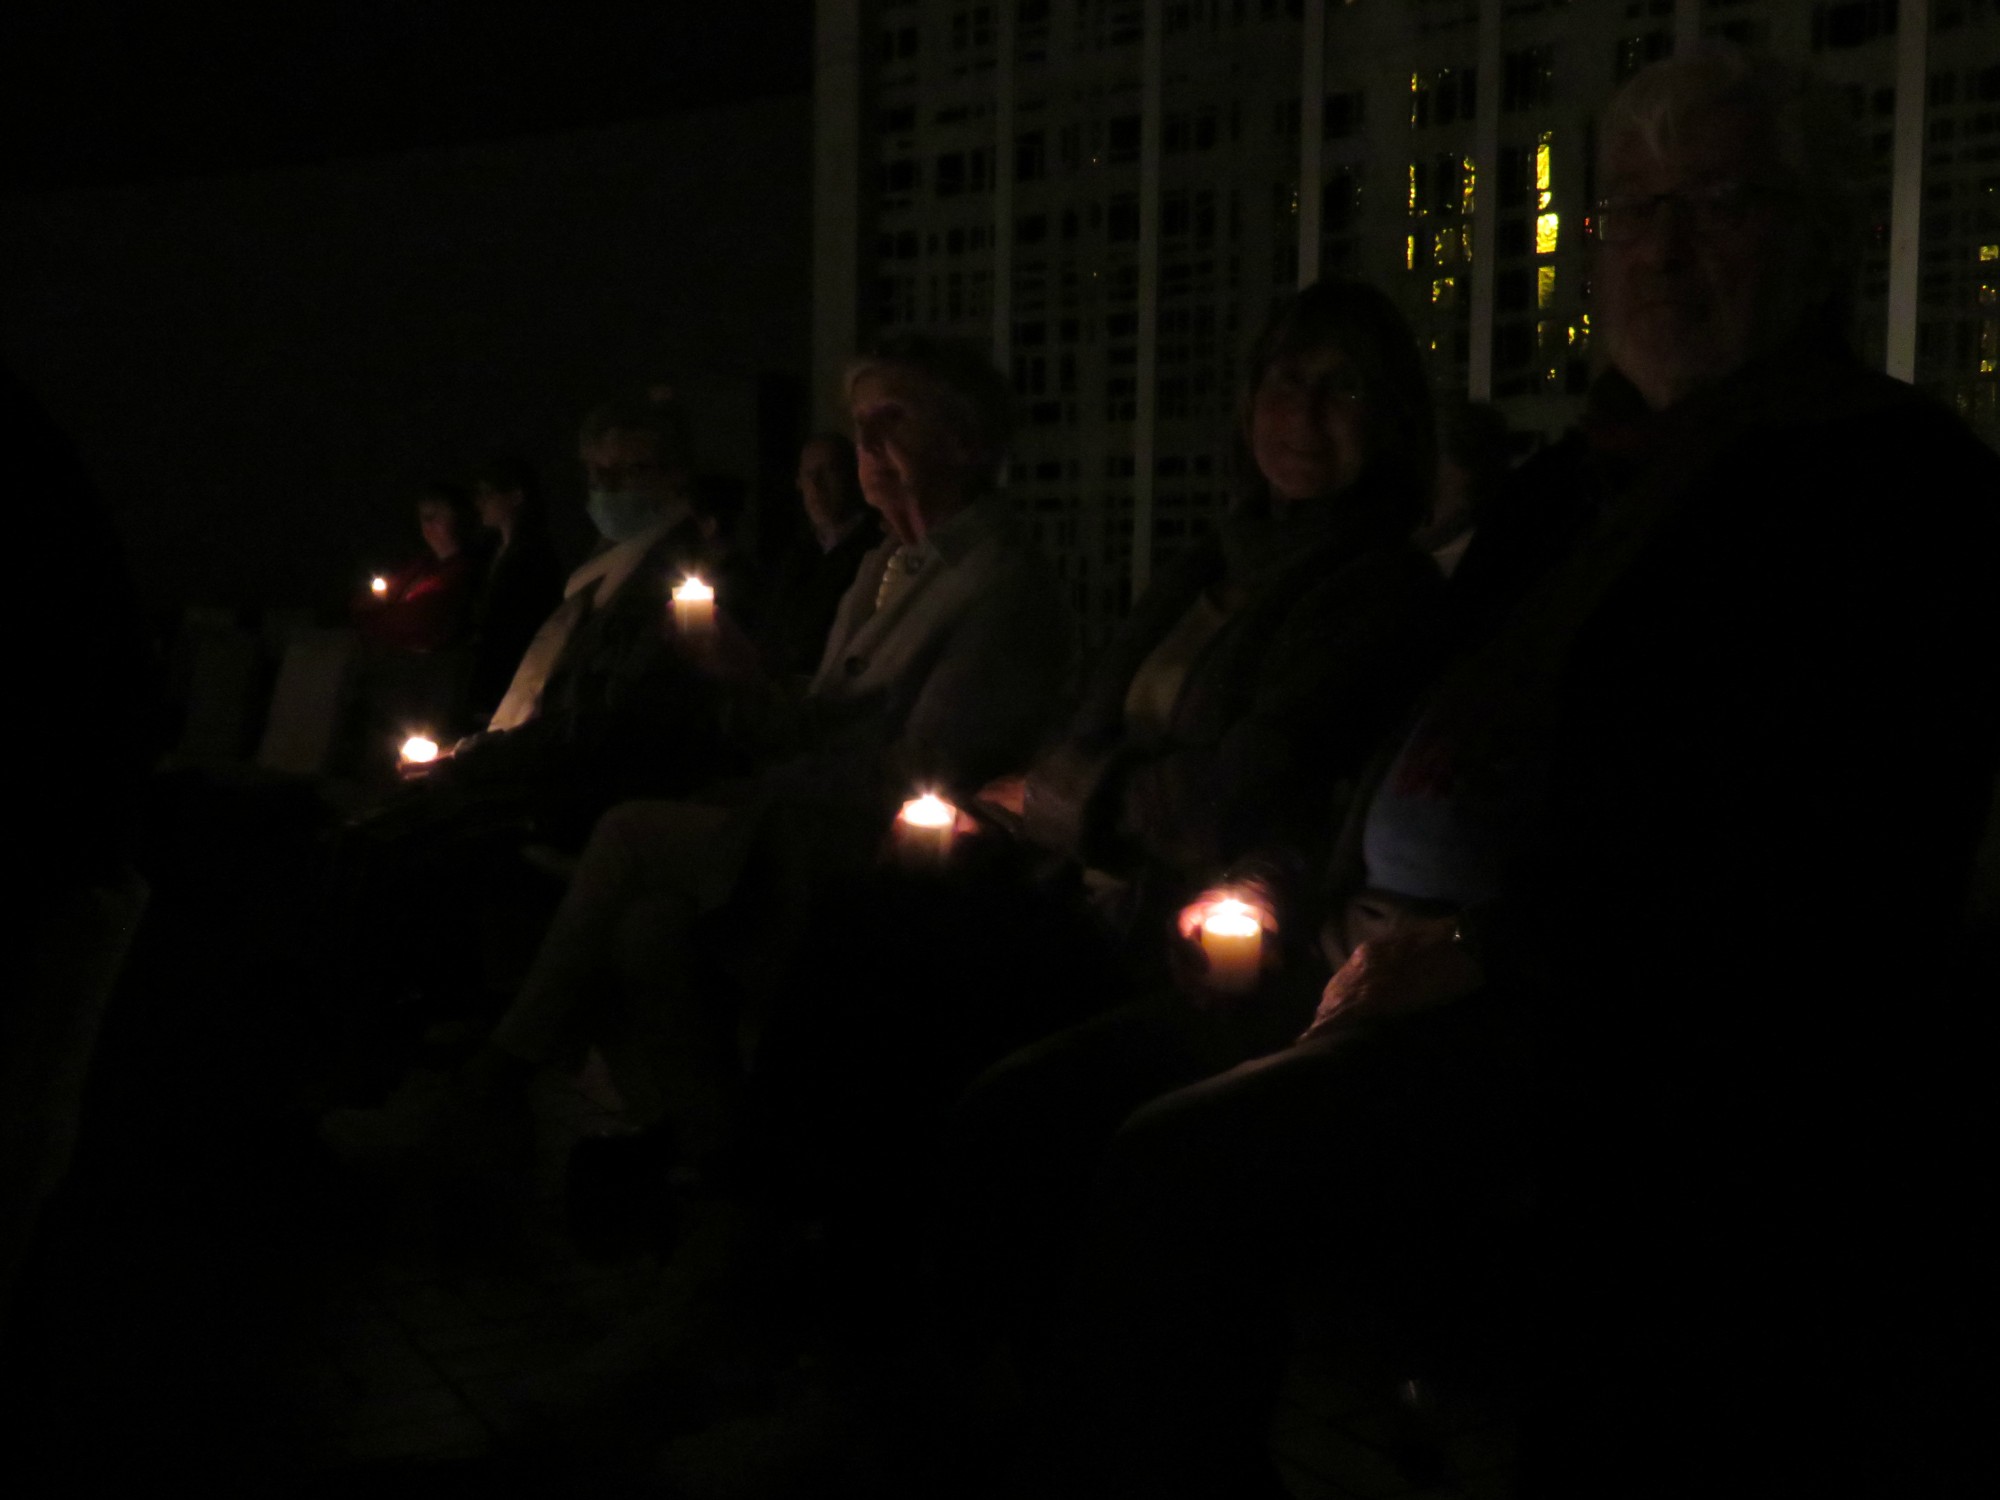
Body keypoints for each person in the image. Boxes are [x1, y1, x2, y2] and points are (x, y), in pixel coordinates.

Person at [1032, 44, 2000, 1498]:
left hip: (1630, 1039)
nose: (1665, 252)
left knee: (1176, 1177)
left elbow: (1817, 860)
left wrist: (1485, 946)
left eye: (1718, 205)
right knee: (1033, 1104)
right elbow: (1402, 719)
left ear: (1814, 231)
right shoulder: (1580, 481)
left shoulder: (1883, 483)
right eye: (1632, 211)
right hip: (1385, 957)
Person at [327, 336, 1075, 1199]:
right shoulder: (881, 566)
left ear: (968, 440)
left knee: (626, 833)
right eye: (859, 422)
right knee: (647, 932)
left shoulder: (1001, 583)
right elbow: (806, 723)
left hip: (887, 861)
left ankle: (489, 1093)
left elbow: (919, 765)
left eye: (894, 420)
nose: (867, 446)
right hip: (796, 816)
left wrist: (749, 725)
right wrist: (744, 679)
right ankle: (725, 1176)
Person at [751, 434, 883, 679]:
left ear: (853, 475)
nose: (817, 486)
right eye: (809, 475)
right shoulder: (793, 554)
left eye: (830, 471)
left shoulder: (878, 551)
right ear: (798, 482)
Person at [461, 456, 563, 732]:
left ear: (516, 496)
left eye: (488, 494)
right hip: (486, 680)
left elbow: (520, 629)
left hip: (510, 680)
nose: (479, 502)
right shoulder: (490, 553)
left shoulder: (534, 558)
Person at [351, 482, 482, 655]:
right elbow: (364, 601)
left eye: (435, 517)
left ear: (458, 518)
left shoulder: (460, 571)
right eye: (424, 518)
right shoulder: (423, 562)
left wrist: (374, 615)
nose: (427, 524)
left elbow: (415, 624)